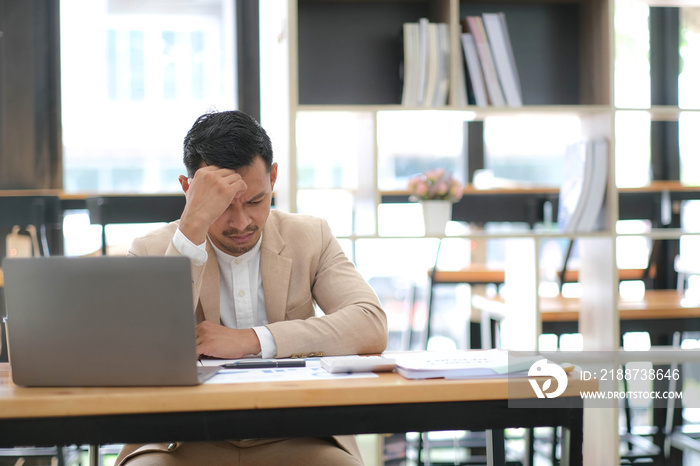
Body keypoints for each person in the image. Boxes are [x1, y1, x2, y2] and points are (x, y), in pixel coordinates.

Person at [115, 110, 388, 465]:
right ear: (189, 189)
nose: (241, 222)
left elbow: (369, 323)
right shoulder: (152, 250)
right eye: (223, 206)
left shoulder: (310, 236)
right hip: (180, 440)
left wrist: (252, 340)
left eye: (256, 201)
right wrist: (194, 224)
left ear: (273, 178)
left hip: (298, 436)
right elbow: (142, 350)